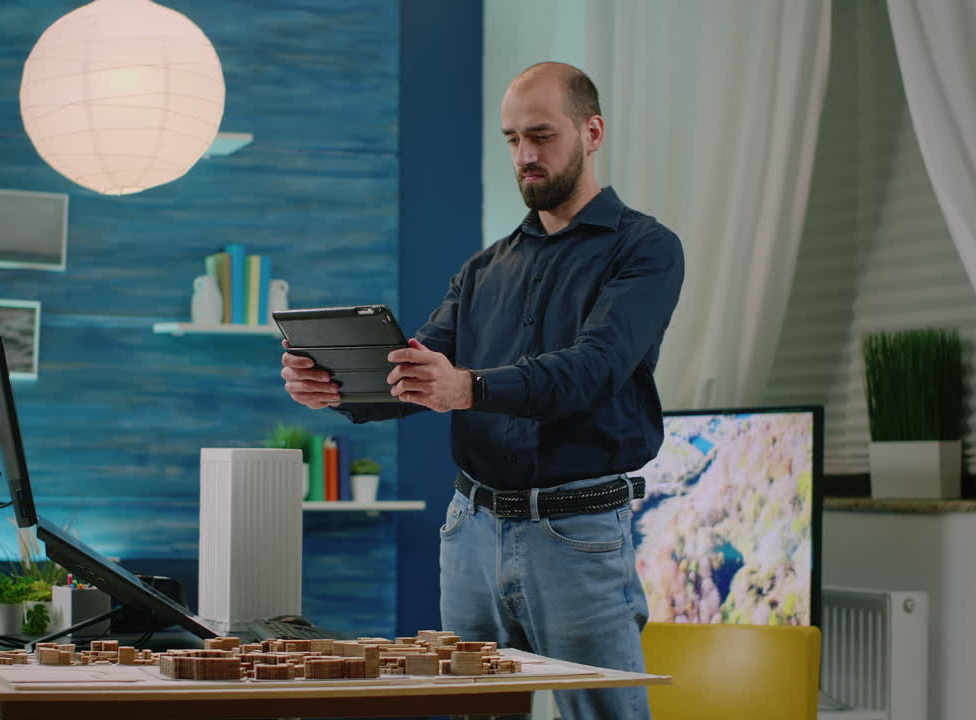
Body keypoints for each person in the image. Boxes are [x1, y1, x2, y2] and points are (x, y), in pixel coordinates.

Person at [280, 61, 683, 719]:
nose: (525, 155)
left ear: (593, 132)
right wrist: (334, 388)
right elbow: (418, 370)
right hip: (471, 530)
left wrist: (467, 388)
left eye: (541, 136)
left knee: (605, 715)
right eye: (511, 139)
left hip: (577, 534)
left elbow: (593, 369)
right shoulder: (483, 268)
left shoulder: (645, 249)